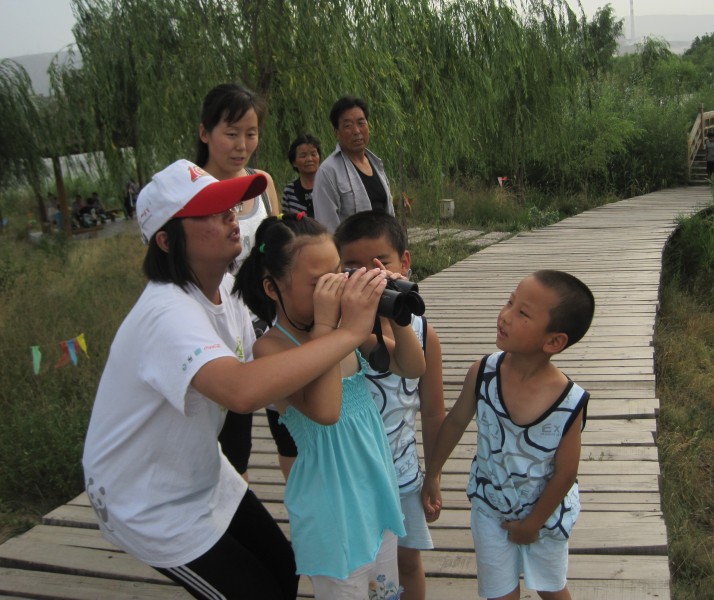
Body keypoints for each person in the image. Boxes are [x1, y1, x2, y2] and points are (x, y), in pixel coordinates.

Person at [83, 159, 387, 600]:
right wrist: (349, 333)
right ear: (166, 240)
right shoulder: (166, 314)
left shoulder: (223, 290)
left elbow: (285, 331)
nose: (229, 215)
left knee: (283, 568)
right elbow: (242, 390)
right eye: (208, 212)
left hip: (200, 473)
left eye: (228, 204)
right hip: (147, 501)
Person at [233, 211, 425, 598]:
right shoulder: (273, 347)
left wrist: (396, 312)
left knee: (385, 593)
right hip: (332, 510)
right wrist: (331, 328)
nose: (337, 289)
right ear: (273, 289)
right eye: (320, 283)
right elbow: (325, 411)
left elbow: (411, 366)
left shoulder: (344, 331)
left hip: (374, 493)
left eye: (340, 273)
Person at [422, 270, 595, 600]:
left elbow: (565, 473)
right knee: (499, 592)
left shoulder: (569, 401)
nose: (505, 316)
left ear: (554, 341)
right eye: (509, 302)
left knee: (551, 588)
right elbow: (456, 421)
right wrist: (433, 474)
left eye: (522, 313)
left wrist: (533, 523)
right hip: (490, 506)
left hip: (544, 516)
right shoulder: (483, 372)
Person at [334, 210, 445, 600]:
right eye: (353, 267)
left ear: (406, 263)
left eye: (381, 263)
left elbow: (432, 412)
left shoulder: (422, 332)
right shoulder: (332, 330)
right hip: (352, 482)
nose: (369, 276)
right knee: (357, 570)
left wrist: (433, 474)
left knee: (408, 565)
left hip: (403, 476)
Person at [196, 82, 281, 481]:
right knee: (234, 444)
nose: (241, 144)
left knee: (291, 430)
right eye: (231, 133)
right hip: (219, 333)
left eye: (250, 133)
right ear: (204, 133)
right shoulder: (192, 193)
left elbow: (281, 253)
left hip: (270, 326)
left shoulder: (262, 183)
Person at [313, 95, 395, 231]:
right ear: (337, 132)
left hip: (384, 247)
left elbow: (389, 213)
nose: (356, 131)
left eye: (361, 123)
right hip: (353, 251)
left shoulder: (376, 164)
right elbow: (327, 228)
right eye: (348, 126)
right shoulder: (328, 172)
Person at [282, 133, 321, 217]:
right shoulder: (289, 191)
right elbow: (286, 222)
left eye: (313, 154)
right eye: (303, 156)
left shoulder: (328, 186)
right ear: (294, 162)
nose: (309, 159)